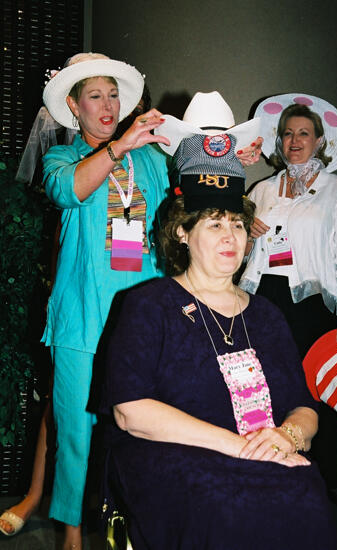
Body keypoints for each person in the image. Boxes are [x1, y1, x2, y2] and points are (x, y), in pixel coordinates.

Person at [99, 164, 337, 549]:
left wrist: (286, 436)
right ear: (182, 232)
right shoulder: (148, 305)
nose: (231, 237)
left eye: (238, 225)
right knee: (223, 507)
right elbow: (130, 411)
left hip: (264, 453)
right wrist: (244, 447)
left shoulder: (267, 315)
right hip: (171, 456)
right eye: (214, 225)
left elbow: (303, 406)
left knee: (306, 490)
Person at [3, 51, 171, 550]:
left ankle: (139, 525)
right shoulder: (63, 158)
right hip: (81, 317)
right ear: (73, 108)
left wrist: (223, 158)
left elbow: (180, 210)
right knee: (75, 431)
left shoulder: (151, 157)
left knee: (144, 428)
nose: (107, 104)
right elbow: (69, 192)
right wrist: (119, 147)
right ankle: (73, 534)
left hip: (143, 316)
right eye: (94, 96)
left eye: (113, 94)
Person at [239, 93, 337, 488]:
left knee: (314, 392)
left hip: (311, 305)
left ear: (319, 141)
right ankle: (273, 480)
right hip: (263, 299)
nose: (295, 140)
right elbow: (237, 252)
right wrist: (247, 229)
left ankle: (321, 487)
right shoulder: (261, 191)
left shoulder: (336, 189)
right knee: (269, 388)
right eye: (288, 133)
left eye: (304, 133)